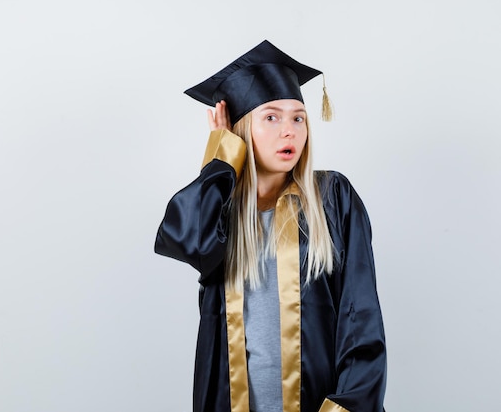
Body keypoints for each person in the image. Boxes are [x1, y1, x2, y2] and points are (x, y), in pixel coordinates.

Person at [154, 40, 387, 412]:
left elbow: (361, 318)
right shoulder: (221, 212)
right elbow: (187, 241)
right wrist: (222, 154)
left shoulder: (333, 198)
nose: (289, 131)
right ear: (243, 129)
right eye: (272, 117)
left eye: (298, 118)